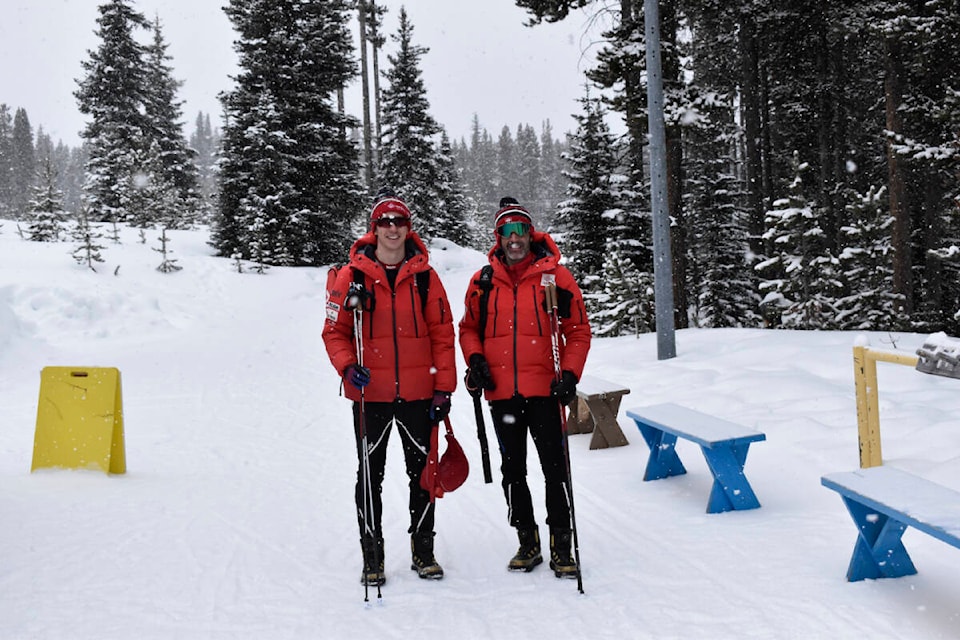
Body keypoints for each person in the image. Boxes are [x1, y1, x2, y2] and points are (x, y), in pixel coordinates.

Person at [323, 189, 457, 586]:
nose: (392, 229)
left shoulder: (427, 279)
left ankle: (423, 550)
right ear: (374, 228)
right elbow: (334, 332)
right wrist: (348, 367)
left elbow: (442, 335)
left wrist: (444, 388)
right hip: (372, 395)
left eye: (399, 222)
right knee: (370, 474)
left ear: (408, 228)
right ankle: (372, 555)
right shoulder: (351, 276)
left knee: (423, 475)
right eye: (385, 222)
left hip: (418, 393)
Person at [459, 197, 591, 578]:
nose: (514, 238)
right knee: (513, 470)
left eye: (521, 231)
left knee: (555, 469)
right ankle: (527, 540)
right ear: (497, 237)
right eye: (507, 231)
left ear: (530, 235)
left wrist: (570, 373)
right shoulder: (483, 282)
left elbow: (578, 330)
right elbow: (468, 328)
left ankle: (561, 545)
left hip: (546, 391)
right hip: (502, 393)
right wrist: (475, 359)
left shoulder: (556, 277)